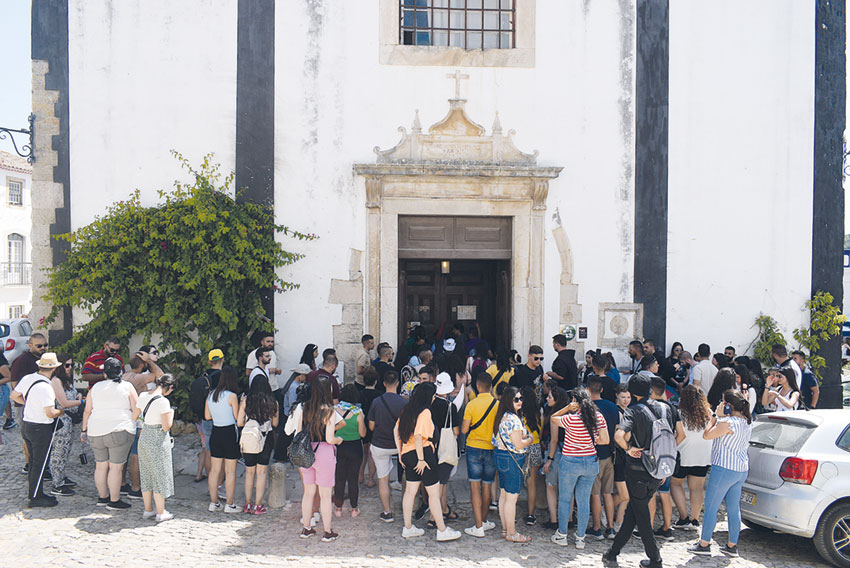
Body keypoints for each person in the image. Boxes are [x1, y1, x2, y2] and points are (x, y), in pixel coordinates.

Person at [602, 375, 673, 568]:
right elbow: (678, 435)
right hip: (658, 470)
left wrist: (628, 449)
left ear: (632, 393)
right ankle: (612, 553)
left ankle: (656, 559)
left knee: (641, 517)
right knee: (633, 513)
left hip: (638, 471)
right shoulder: (666, 408)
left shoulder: (633, 411)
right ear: (650, 389)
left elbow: (618, 436)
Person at [394, 382, 462, 541]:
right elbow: (419, 435)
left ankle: (408, 527)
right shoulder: (425, 412)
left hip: (407, 453)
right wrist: (421, 459)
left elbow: (396, 431)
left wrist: (400, 454)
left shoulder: (406, 410)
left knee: (410, 492)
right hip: (422, 453)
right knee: (433, 493)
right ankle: (442, 530)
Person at [689, 390, 753, 558]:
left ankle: (704, 543)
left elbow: (707, 435)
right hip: (740, 469)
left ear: (728, 405)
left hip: (724, 468)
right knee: (733, 508)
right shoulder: (746, 421)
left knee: (711, 506)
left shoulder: (727, 423)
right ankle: (732, 545)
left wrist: (715, 417)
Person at [549, 388, 610, 549]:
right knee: (583, 501)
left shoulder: (571, 419)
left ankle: (562, 535)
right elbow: (605, 440)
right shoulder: (598, 417)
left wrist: (568, 408)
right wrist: (592, 439)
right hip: (590, 461)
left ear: (575, 400)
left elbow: (553, 418)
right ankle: (580, 538)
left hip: (570, 462)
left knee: (565, 499)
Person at [286, 377, 344, 542]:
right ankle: (327, 531)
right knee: (325, 495)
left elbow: (298, 433)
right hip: (324, 452)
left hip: (306, 452)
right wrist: (339, 440)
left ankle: (307, 528)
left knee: (308, 492)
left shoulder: (304, 408)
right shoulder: (329, 410)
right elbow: (330, 438)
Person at [82, 357, 138, 510]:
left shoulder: (95, 388)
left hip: (95, 430)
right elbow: (136, 408)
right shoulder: (127, 386)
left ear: (105, 373)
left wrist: (83, 430)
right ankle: (114, 500)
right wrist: (132, 422)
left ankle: (102, 497)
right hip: (119, 429)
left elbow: (87, 410)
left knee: (100, 466)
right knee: (115, 467)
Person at [10, 352, 64, 507]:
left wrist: (28, 403)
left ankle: (35, 492)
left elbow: (14, 395)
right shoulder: (46, 387)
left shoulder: (29, 378)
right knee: (40, 464)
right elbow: (50, 413)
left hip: (27, 424)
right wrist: (61, 411)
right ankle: (35, 497)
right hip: (41, 427)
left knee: (33, 462)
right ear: (53, 368)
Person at [493, 385, 535, 543]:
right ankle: (511, 532)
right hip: (512, 459)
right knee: (511, 498)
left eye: (520, 398)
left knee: (504, 495)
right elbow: (518, 444)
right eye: (516, 399)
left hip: (501, 456)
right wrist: (529, 439)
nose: (520, 402)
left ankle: (506, 529)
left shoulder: (502, 416)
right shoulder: (514, 420)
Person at [647, 377, 686, 541]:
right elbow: (681, 434)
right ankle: (667, 527)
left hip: (651, 455)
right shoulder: (672, 409)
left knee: (651, 495)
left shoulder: (648, 408)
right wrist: (670, 449)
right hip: (667, 458)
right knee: (665, 493)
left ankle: (647, 528)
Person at [134, 373, 176, 522]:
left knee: (146, 474)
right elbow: (166, 426)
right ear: (169, 387)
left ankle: (148, 510)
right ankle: (161, 511)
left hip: (144, 435)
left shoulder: (143, 395)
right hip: (157, 438)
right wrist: (171, 413)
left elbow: (135, 416)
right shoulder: (164, 402)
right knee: (159, 474)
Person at [461, 372, 499, 538]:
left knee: (474, 486)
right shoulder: (497, 404)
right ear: (491, 386)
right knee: (487, 486)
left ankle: (478, 526)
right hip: (491, 447)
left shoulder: (471, 405)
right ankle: (483, 521)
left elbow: (463, 430)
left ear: (477, 386)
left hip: (474, 447)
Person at [367, 370, 407, 522]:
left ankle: (387, 512)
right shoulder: (404, 402)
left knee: (383, 479)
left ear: (383, 383)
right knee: (408, 477)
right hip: (399, 444)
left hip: (380, 444)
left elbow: (371, 426)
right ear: (398, 383)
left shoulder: (377, 402)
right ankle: (408, 505)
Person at [123, 350, 164, 499]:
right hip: (139, 418)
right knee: (136, 453)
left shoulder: (124, 375)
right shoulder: (139, 378)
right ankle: (135, 487)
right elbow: (161, 376)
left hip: (126, 416)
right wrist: (150, 362)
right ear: (142, 364)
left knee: (124, 455)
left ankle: (122, 484)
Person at [670, 385, 712, 532]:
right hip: (702, 456)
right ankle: (694, 519)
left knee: (675, 484)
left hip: (682, 454)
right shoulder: (708, 413)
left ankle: (683, 517)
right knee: (697, 488)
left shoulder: (679, 414)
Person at [238, 374, 279, 515]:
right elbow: (275, 423)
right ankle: (258, 505)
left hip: (250, 437)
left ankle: (247, 504)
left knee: (249, 472)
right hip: (265, 438)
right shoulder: (273, 402)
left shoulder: (247, 401)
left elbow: (239, 422)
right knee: (261, 473)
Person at [587, 376, 619, 540]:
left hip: (594, 455)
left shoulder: (588, 409)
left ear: (587, 390)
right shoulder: (613, 407)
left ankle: (597, 527)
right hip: (609, 455)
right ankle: (611, 528)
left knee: (595, 494)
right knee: (607, 493)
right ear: (602, 390)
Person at [10, 333, 48, 472]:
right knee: (29, 437)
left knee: (42, 438)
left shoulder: (45, 359)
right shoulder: (21, 361)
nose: (43, 348)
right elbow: (15, 386)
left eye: (45, 345)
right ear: (30, 345)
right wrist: (28, 402)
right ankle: (29, 465)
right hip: (24, 405)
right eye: (39, 346)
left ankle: (41, 466)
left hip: (43, 405)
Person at [205, 366, 240, 514]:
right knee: (230, 471)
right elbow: (238, 418)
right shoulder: (232, 396)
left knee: (215, 470)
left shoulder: (211, 395)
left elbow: (207, 416)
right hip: (229, 432)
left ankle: (214, 503)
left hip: (216, 431)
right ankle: (230, 504)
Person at [49, 353, 82, 496]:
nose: (69, 368)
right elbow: (63, 402)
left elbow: (71, 397)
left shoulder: (65, 380)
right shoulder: (56, 381)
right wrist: (82, 402)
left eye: (71, 365)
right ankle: (57, 483)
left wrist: (78, 396)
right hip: (62, 422)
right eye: (67, 365)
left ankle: (61, 476)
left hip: (70, 422)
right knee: (58, 452)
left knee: (66, 451)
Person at [334, 384, 366, 517]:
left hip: (338, 445)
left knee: (339, 477)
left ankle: (338, 508)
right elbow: (362, 434)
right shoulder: (358, 413)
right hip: (354, 447)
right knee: (353, 478)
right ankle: (354, 508)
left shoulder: (334, 410)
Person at [541, 385, 570, 530]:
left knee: (551, 486)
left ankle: (554, 520)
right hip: (570, 453)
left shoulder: (555, 417)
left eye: (550, 397)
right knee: (568, 490)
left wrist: (549, 459)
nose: (547, 398)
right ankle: (569, 519)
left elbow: (554, 440)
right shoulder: (572, 415)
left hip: (557, 453)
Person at [195, 350, 223, 482]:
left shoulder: (204, 375)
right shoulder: (221, 377)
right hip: (216, 419)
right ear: (222, 359)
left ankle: (208, 478)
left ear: (209, 361)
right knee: (217, 452)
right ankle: (217, 482)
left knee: (206, 449)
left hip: (202, 419)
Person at [519, 385, 542, 526]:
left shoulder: (519, 414)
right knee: (531, 482)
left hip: (522, 446)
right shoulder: (539, 412)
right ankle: (531, 514)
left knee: (517, 480)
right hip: (535, 446)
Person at [277, 363, 310, 462]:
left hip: (290, 414)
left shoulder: (295, 385)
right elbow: (292, 403)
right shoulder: (293, 387)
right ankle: (282, 456)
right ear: (301, 375)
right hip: (290, 415)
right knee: (286, 436)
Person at [612, 385, 631, 531]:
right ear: (617, 396)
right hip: (619, 455)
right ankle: (612, 519)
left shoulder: (628, 412)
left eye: (628, 397)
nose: (626, 400)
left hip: (627, 456)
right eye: (623, 397)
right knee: (625, 495)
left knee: (626, 495)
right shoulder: (616, 412)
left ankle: (618, 522)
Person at [358, 366, 380, 487]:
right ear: (375, 381)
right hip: (374, 425)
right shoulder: (379, 395)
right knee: (372, 453)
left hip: (361, 423)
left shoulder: (359, 394)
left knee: (363, 452)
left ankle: (360, 476)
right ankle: (371, 479)